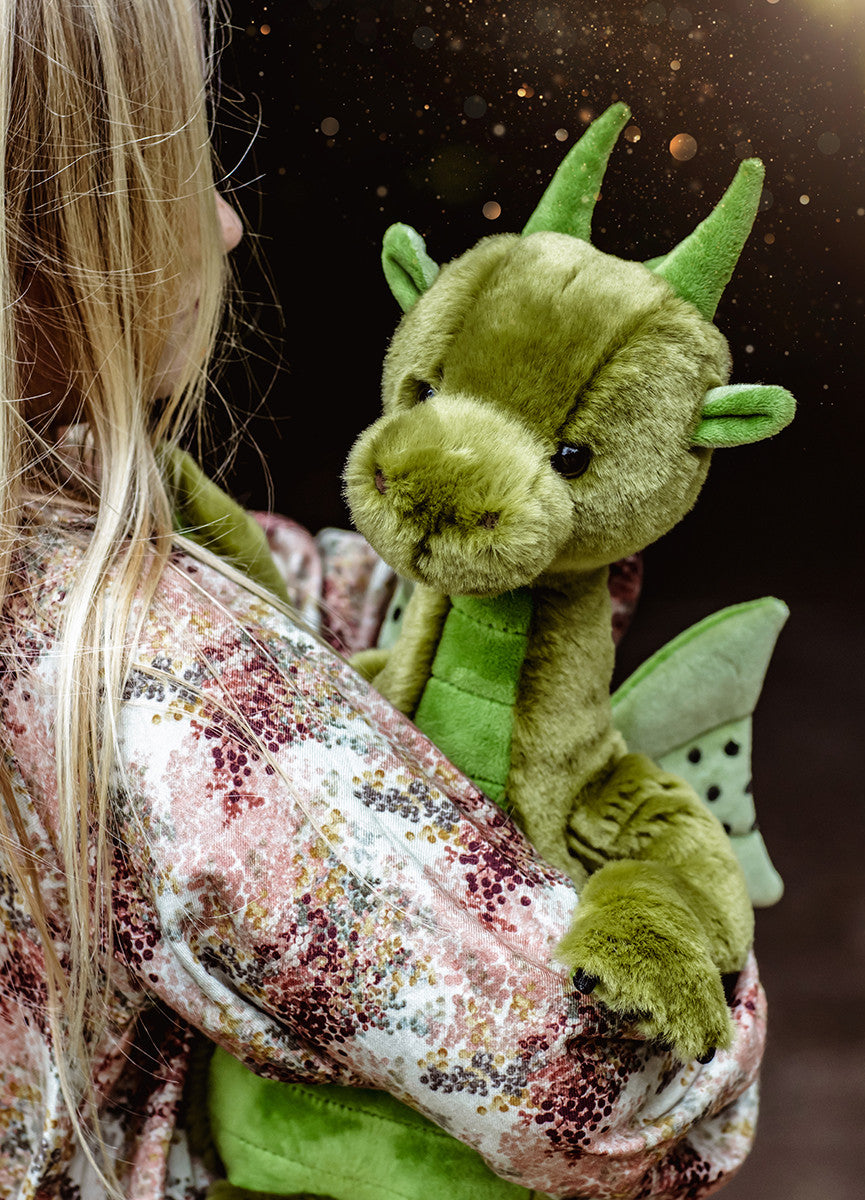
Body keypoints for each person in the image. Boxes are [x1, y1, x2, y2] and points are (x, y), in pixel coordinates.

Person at [0, 2, 765, 1197]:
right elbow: (600, 1098)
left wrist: (508, 584)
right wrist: (705, 945)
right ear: (57, 237)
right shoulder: (172, 678)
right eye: (178, 163)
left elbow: (305, 590)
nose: (227, 220)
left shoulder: (79, 531)